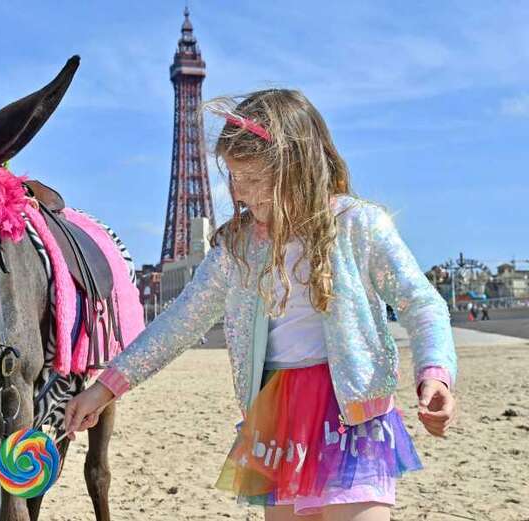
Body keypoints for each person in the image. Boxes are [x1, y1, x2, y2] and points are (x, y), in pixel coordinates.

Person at [65, 89, 457, 521]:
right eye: (234, 178)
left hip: (353, 413)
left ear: (298, 167)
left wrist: (434, 373)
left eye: (252, 179)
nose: (241, 193)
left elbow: (421, 303)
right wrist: (105, 389)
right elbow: (179, 324)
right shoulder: (236, 247)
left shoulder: (357, 225)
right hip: (277, 418)